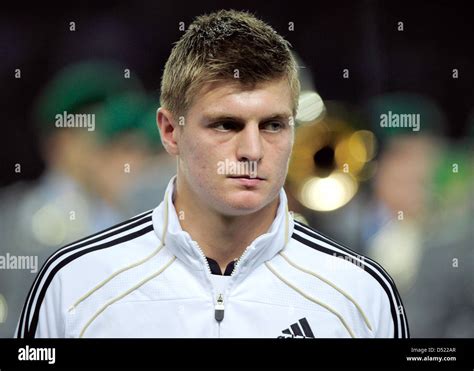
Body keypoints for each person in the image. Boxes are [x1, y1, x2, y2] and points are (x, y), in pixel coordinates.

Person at [16, 9, 408, 338]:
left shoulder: (363, 291)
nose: (252, 151)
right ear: (170, 131)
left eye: (273, 125)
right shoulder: (72, 283)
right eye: (225, 125)